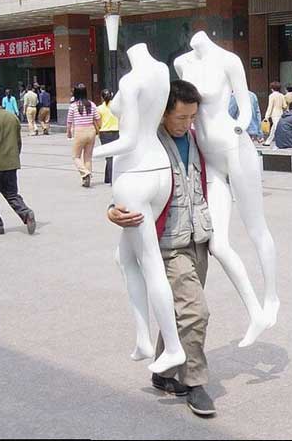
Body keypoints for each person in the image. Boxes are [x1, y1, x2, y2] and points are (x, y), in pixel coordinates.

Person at [108, 79, 216, 416]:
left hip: (199, 239)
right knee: (195, 312)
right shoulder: (147, 145)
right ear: (163, 112)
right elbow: (124, 186)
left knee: (180, 311)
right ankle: (195, 383)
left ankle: (164, 372)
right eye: (181, 117)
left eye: (192, 117)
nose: (187, 124)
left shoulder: (199, 140)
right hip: (167, 245)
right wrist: (112, 210)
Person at [175, 30, 279, 338]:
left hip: (234, 147)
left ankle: (272, 296)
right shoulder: (182, 63)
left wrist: (239, 127)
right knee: (217, 244)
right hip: (207, 156)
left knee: (256, 227)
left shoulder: (228, 60)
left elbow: (245, 105)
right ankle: (255, 313)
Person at [93, 44, 186, 376]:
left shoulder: (131, 81)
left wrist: (90, 153)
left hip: (135, 175)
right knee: (124, 258)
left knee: (149, 262)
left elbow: (129, 140)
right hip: (159, 170)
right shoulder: (161, 70)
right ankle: (143, 339)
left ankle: (172, 346)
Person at [0, 85, 36, 235]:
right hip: (11, 164)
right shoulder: (13, 118)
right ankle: (26, 213)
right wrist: (14, 158)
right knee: (12, 194)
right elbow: (18, 142)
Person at [66, 83, 101, 188]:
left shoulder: (73, 106)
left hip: (79, 131)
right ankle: (86, 180)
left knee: (76, 156)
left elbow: (69, 121)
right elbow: (98, 118)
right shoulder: (92, 104)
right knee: (88, 157)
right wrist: (99, 129)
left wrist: (68, 132)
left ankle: (85, 173)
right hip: (91, 130)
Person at [96, 88, 120, 184]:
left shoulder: (99, 108)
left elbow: (98, 122)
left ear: (102, 97)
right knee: (114, 155)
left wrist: (98, 131)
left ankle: (110, 178)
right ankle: (109, 178)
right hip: (116, 131)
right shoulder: (117, 106)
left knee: (108, 156)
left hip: (104, 133)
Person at [263, 81, 287, 146]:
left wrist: (267, 116)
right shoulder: (282, 95)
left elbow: (270, 106)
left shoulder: (271, 96)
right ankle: (268, 142)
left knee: (276, 128)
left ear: (272, 88)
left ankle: (281, 142)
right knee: (274, 128)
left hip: (274, 114)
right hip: (281, 113)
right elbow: (285, 106)